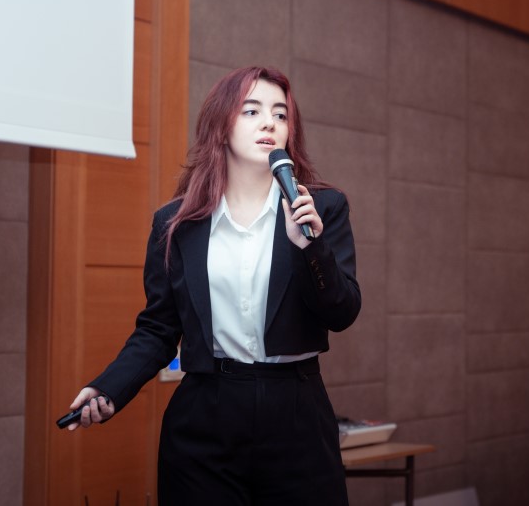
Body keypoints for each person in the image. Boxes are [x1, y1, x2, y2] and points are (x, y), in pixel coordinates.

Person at [67, 66, 361, 506]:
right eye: (252, 111)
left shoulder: (320, 207)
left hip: (297, 413)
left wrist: (310, 248)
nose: (269, 123)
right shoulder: (175, 223)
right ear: (221, 126)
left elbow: (343, 312)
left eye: (281, 114)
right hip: (206, 416)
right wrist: (110, 387)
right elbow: (158, 329)